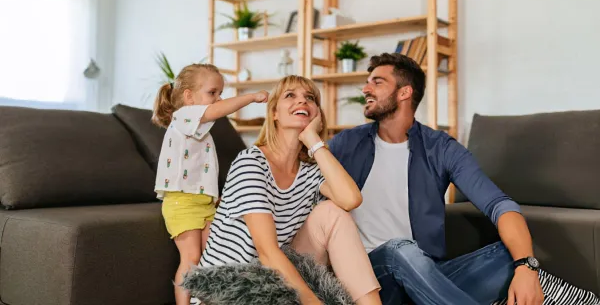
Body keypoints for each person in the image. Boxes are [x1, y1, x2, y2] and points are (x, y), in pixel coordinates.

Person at [328, 53, 544, 305]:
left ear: (404, 92)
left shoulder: (440, 148)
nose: (365, 89)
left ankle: (433, 297)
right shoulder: (346, 143)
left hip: (423, 274)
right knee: (400, 249)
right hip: (370, 277)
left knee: (513, 256)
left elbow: (499, 204)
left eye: (377, 82)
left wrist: (526, 266)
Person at [200, 75, 382, 305]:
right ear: (274, 113)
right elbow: (267, 252)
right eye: (290, 96)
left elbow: (351, 199)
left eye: (310, 98)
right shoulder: (251, 163)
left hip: (274, 282)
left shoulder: (309, 171)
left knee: (331, 213)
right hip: (230, 288)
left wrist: (313, 140)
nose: (302, 101)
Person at [152, 62, 268, 305]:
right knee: (191, 257)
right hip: (181, 202)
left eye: (220, 93)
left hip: (204, 203)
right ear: (189, 97)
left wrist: (215, 196)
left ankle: (207, 301)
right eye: (212, 93)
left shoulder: (202, 130)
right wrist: (251, 97)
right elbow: (217, 111)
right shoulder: (183, 116)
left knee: (212, 257)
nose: (218, 99)